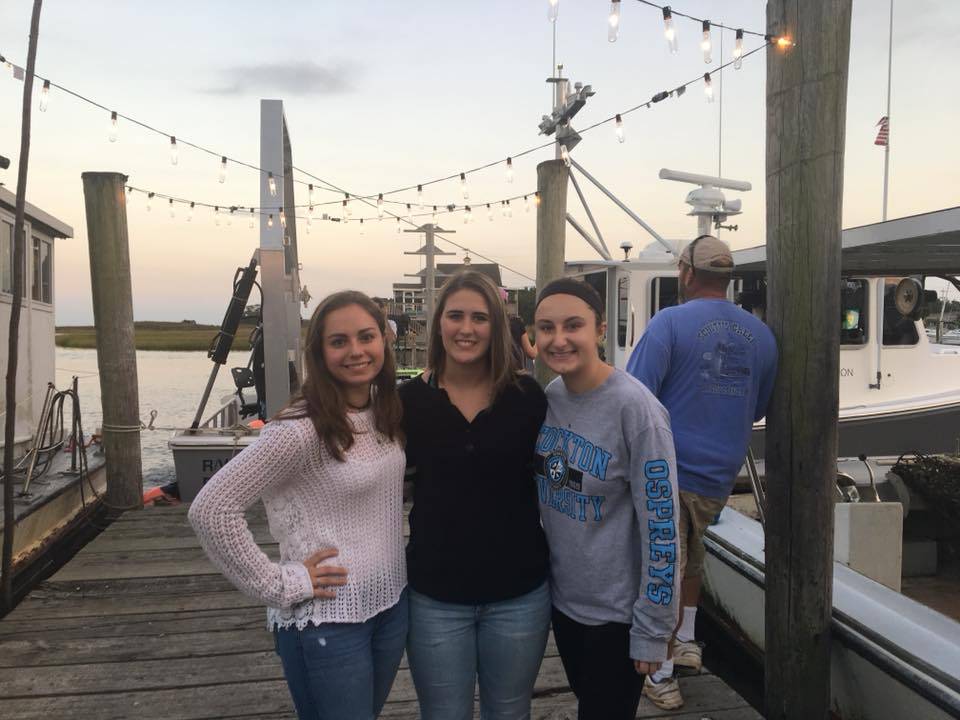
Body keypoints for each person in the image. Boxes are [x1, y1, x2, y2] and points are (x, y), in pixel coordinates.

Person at [189, 290, 408, 720]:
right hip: (328, 621)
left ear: (384, 340)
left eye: (367, 336)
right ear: (319, 352)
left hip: (391, 606)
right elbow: (212, 509)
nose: (356, 351)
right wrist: (281, 585)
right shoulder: (299, 429)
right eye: (339, 341)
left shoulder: (385, 412)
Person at [626, 235, 777, 710]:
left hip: (665, 471)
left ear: (687, 273)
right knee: (691, 556)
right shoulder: (763, 336)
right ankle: (686, 638)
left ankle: (661, 670)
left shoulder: (669, 322)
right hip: (718, 476)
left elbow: (634, 397)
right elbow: (759, 407)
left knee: (662, 567)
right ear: (728, 279)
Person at [399, 270, 551, 720]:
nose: (467, 328)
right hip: (435, 597)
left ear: (497, 327)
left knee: (509, 711)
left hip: (519, 595)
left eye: (480, 318)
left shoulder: (528, 396)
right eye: (456, 316)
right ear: (439, 323)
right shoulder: (407, 401)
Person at [533, 277, 680, 720]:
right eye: (546, 328)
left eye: (573, 325)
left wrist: (653, 627)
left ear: (599, 330)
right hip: (565, 605)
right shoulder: (552, 397)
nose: (559, 339)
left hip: (617, 617)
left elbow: (662, 526)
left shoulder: (638, 411)